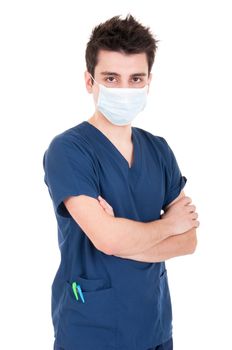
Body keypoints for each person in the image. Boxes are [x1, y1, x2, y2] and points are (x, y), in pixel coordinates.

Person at [43, 14, 200, 350]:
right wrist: (167, 224)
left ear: (148, 82)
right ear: (89, 81)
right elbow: (109, 240)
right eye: (111, 78)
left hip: (154, 325)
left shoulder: (158, 149)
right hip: (92, 329)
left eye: (135, 78)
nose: (125, 90)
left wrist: (125, 237)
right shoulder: (69, 150)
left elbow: (189, 241)